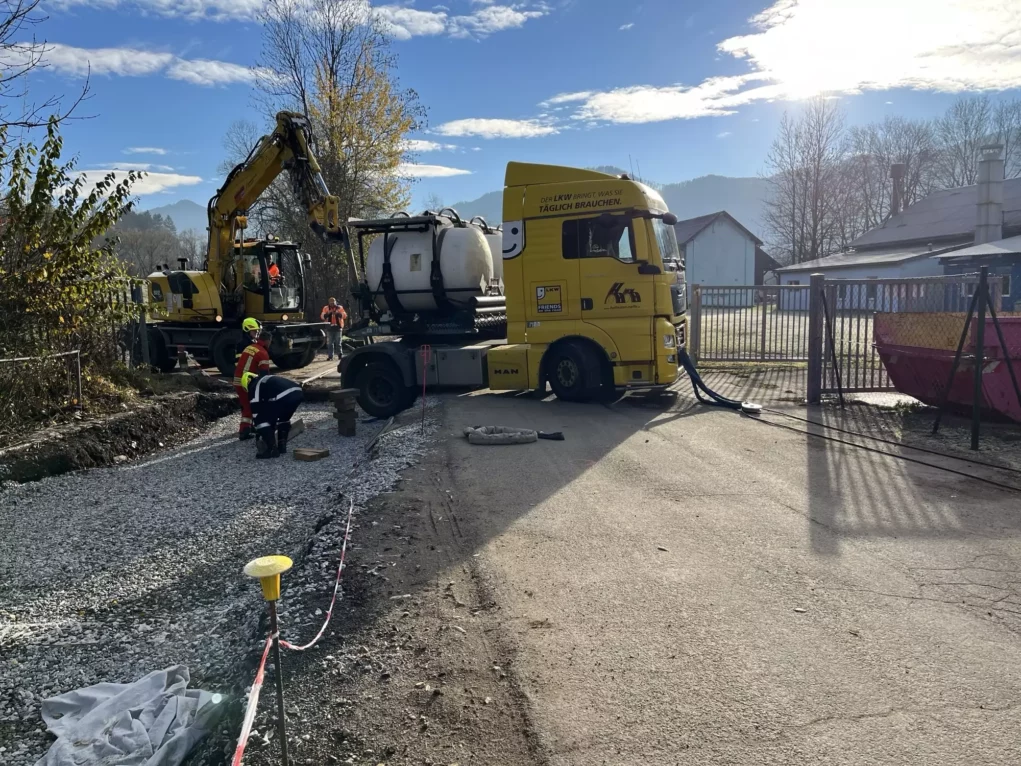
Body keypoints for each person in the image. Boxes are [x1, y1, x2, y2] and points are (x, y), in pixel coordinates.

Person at [240, 371, 304, 459]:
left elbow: (256, 409)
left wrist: (260, 427)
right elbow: (269, 405)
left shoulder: (254, 386)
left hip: (284, 395)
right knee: (283, 418)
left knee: (261, 421)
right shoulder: (266, 380)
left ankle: (271, 449)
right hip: (298, 392)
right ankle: (282, 447)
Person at [233, 318, 271, 441]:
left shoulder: (251, 345)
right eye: (254, 332)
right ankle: (244, 431)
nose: (256, 334)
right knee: (248, 406)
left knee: (249, 405)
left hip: (245, 379)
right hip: (245, 381)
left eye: (257, 332)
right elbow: (263, 372)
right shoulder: (245, 344)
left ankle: (249, 427)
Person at [320, 297, 347, 361]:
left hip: (338, 327)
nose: (332, 304)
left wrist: (337, 313)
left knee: (338, 343)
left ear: (335, 302)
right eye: (331, 303)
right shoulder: (326, 308)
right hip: (329, 328)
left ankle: (340, 355)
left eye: (333, 303)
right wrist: (328, 313)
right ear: (329, 303)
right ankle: (330, 356)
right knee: (329, 343)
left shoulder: (340, 308)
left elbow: (345, 315)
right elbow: (322, 317)